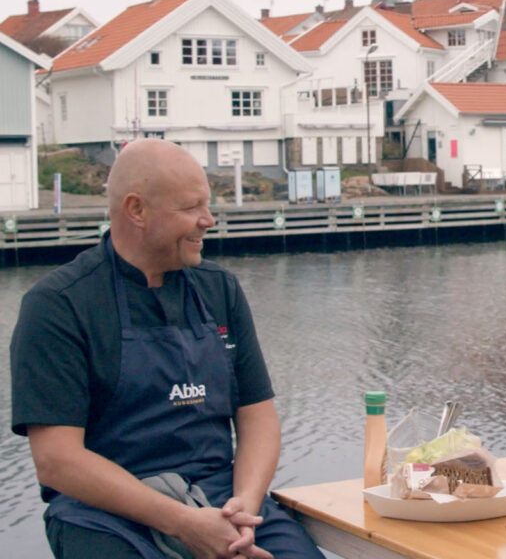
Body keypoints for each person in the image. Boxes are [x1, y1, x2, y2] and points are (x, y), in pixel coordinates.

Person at [10, 139, 324, 559]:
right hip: (107, 514)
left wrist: (244, 506)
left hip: (219, 498)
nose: (208, 220)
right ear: (136, 210)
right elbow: (57, 460)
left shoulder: (220, 290)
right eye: (191, 208)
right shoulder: (59, 305)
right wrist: (183, 524)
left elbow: (258, 417)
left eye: (208, 205)